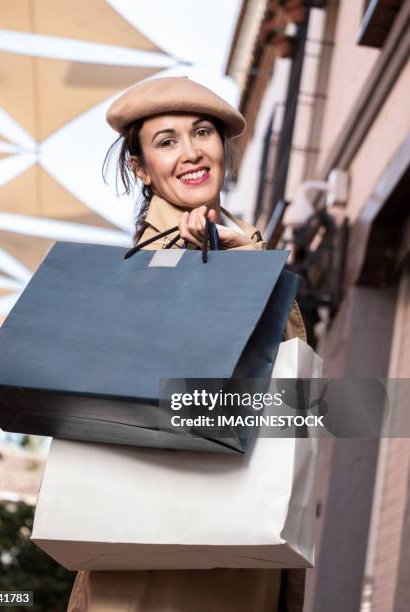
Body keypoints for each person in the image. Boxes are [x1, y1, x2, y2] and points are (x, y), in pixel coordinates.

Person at [67, 76, 306, 612]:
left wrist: (247, 262)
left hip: (230, 533)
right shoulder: (147, 269)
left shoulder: (241, 247)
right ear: (140, 167)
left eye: (203, 133)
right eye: (166, 141)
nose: (192, 152)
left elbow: (295, 400)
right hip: (157, 540)